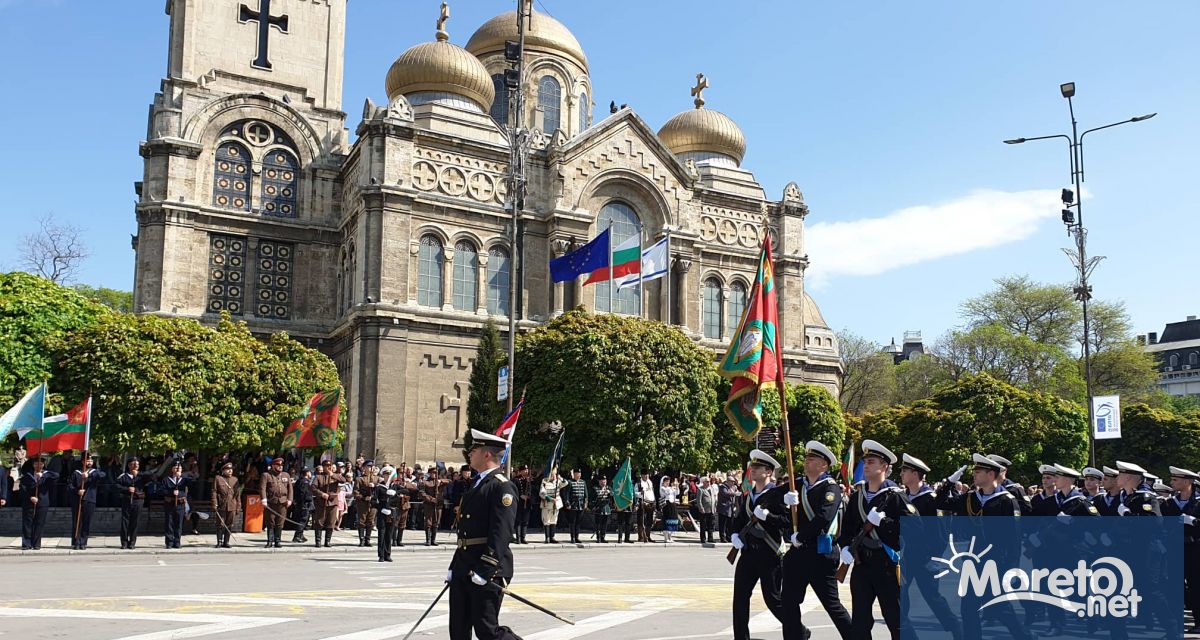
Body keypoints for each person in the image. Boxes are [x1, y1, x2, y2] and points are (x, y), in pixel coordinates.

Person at [935, 454, 1032, 640]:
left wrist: (1012, 567)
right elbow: (941, 503)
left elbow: (1013, 538)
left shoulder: (1006, 501)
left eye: (978, 472)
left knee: (1000, 607)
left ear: (990, 474)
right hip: (973, 561)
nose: (974, 475)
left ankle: (1025, 636)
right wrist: (949, 482)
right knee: (968, 607)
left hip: (996, 563)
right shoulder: (971, 498)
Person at [448, 429, 523, 640]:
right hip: (465, 563)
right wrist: (455, 566)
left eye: (474, 450)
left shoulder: (502, 487)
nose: (470, 454)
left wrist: (487, 568)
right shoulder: (477, 482)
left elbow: (501, 531)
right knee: (458, 628)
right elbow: (467, 531)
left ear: (487, 454)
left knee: (487, 630)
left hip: (486, 566)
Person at [836, 440, 909, 640]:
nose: (866, 466)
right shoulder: (858, 496)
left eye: (871, 462)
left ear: (884, 467)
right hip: (861, 564)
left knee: (895, 619)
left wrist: (884, 522)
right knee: (860, 622)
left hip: (886, 564)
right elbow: (848, 527)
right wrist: (844, 547)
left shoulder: (895, 496)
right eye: (865, 462)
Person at [781, 441, 853, 640]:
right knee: (788, 602)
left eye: (812, 459)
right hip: (798, 553)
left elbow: (824, 517)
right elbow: (772, 499)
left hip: (820, 554)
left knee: (832, 605)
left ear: (824, 465)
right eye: (806, 458)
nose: (807, 462)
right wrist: (783, 501)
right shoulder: (798, 486)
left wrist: (800, 536)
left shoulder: (830, 489)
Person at [896, 453, 959, 640]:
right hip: (906, 557)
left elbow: (939, 535)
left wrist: (934, 558)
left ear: (915, 474)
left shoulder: (930, 500)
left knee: (933, 599)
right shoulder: (903, 497)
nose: (901, 474)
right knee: (901, 598)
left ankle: (958, 630)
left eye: (904, 471)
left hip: (924, 558)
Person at [729, 449, 789, 640]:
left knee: (773, 599)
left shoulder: (777, 494)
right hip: (748, 554)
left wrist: (768, 517)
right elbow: (739, 520)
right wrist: (734, 535)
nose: (752, 470)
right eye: (752, 467)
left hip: (769, 553)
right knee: (739, 598)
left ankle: (798, 630)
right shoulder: (748, 496)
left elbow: (786, 522)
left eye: (757, 467)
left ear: (769, 472)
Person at [1165, 466, 1200, 632]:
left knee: (1196, 586)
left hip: (1194, 548)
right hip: (1174, 548)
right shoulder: (1170, 503)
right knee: (1173, 587)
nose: (1172, 482)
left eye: (1175, 480)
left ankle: (1199, 623)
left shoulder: (1198, 502)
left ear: (1187, 482)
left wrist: (1193, 521)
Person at [67, 455, 106, 550]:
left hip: (90, 499)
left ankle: (83, 542)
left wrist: (89, 475)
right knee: (77, 522)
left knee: (86, 522)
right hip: (77, 500)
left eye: (91, 460)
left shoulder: (95, 472)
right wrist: (77, 491)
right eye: (87, 460)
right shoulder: (76, 473)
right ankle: (76, 542)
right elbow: (69, 486)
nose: (89, 462)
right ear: (82, 461)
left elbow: (103, 475)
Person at [20, 456, 59, 550]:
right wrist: (30, 497)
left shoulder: (47, 474)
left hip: (42, 502)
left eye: (41, 463)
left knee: (39, 523)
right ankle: (26, 543)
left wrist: (43, 475)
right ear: (33, 465)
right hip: (29, 502)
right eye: (36, 463)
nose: (38, 465)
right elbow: (23, 489)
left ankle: (36, 543)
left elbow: (57, 476)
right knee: (27, 523)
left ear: (43, 464)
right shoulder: (28, 475)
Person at [260, 456, 293, 548]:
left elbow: (290, 489)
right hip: (271, 502)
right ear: (273, 465)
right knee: (270, 521)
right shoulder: (266, 475)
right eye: (278, 465)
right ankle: (270, 541)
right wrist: (264, 499)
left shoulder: (286, 475)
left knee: (280, 522)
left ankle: (277, 541)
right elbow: (262, 488)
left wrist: (290, 499)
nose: (280, 466)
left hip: (283, 502)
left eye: (281, 465)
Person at [115, 458, 147, 549]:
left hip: (138, 501)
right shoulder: (123, 476)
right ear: (129, 465)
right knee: (125, 522)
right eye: (134, 464)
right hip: (127, 500)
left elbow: (152, 476)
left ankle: (132, 542)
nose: (136, 466)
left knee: (135, 522)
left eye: (137, 464)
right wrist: (127, 489)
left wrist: (139, 474)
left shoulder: (141, 476)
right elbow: (116, 486)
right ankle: (124, 542)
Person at [312, 459, 344, 547]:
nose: (329, 467)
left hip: (332, 502)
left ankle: (327, 541)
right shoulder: (318, 477)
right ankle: (318, 541)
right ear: (323, 467)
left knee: (331, 522)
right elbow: (313, 488)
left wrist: (333, 475)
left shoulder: (335, 476)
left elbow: (343, 480)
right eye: (326, 466)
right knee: (319, 522)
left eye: (330, 466)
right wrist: (321, 494)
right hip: (321, 503)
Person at [373, 464, 400, 562]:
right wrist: (381, 508)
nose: (387, 477)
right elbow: (373, 501)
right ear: (383, 476)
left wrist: (396, 495)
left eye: (389, 475)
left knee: (390, 534)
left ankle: (387, 554)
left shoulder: (395, 487)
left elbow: (399, 499)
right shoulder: (379, 488)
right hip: (382, 513)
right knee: (382, 534)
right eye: (386, 475)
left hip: (392, 513)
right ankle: (381, 555)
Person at [161, 459, 190, 549]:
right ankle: (169, 542)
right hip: (170, 504)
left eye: (180, 468)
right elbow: (162, 490)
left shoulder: (184, 480)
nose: (178, 469)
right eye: (176, 468)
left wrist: (181, 477)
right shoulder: (166, 480)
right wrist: (171, 492)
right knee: (169, 523)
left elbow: (192, 484)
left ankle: (177, 541)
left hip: (180, 504)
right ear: (172, 469)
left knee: (179, 524)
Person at [212, 462, 240, 548]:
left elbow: (238, 494)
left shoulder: (235, 480)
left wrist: (238, 506)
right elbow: (214, 491)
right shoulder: (218, 478)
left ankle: (226, 542)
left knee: (229, 524)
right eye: (228, 469)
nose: (230, 471)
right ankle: (219, 541)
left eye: (231, 469)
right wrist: (214, 503)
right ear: (223, 471)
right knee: (220, 523)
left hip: (232, 505)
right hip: (222, 504)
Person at [354, 460, 379, 547]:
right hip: (363, 503)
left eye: (371, 466)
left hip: (373, 504)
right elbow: (356, 492)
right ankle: (361, 540)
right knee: (361, 521)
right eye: (368, 466)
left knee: (370, 521)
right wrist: (364, 498)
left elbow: (382, 489)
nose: (370, 468)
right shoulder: (359, 479)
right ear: (364, 468)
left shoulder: (377, 478)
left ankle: (367, 539)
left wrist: (375, 486)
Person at [421, 468, 449, 546]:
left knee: (436, 522)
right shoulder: (425, 482)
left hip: (438, 505)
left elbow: (449, 481)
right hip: (429, 505)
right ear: (429, 473)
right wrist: (431, 499)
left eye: (435, 473)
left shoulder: (440, 482)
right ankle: (428, 540)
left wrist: (441, 481)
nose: (434, 474)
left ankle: (433, 539)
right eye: (432, 473)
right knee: (428, 522)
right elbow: (422, 494)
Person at [539, 470, 566, 543]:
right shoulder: (544, 482)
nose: (554, 476)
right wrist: (550, 499)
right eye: (552, 475)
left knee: (554, 521)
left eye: (554, 475)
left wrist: (560, 478)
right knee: (546, 521)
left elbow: (566, 483)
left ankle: (552, 537)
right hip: (547, 504)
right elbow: (542, 493)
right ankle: (547, 537)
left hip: (556, 504)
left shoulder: (557, 482)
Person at [563, 469, 588, 544]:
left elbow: (586, 494)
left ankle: (577, 537)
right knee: (572, 522)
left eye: (579, 473)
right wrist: (567, 503)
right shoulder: (570, 482)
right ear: (574, 474)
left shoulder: (583, 482)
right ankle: (572, 537)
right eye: (577, 473)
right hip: (573, 505)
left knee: (578, 522)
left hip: (580, 505)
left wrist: (585, 503)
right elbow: (566, 494)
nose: (578, 475)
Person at [292, 467, 314, 543]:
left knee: (302, 520)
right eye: (310, 472)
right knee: (302, 520)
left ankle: (300, 534)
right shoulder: (305, 482)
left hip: (300, 504)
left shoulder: (299, 481)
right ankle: (297, 536)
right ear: (307, 473)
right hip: (304, 504)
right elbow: (304, 494)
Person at [635, 471, 656, 543]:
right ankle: (641, 537)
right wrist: (640, 493)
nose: (646, 476)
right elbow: (635, 493)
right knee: (641, 520)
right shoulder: (638, 483)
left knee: (649, 520)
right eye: (645, 475)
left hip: (651, 503)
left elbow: (652, 491)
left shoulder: (650, 482)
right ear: (641, 475)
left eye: (647, 475)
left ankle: (648, 536)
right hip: (643, 502)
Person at [718, 474, 740, 544]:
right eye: (731, 481)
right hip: (723, 509)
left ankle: (729, 537)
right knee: (723, 524)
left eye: (733, 481)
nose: (733, 483)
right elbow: (726, 493)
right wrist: (735, 493)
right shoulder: (723, 487)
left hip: (731, 508)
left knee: (729, 524)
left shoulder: (734, 487)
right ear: (727, 481)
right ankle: (722, 538)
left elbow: (736, 496)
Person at [696, 475, 718, 544]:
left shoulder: (711, 488)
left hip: (711, 510)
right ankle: (703, 538)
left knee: (710, 525)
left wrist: (714, 508)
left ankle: (710, 538)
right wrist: (701, 508)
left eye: (709, 481)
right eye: (707, 481)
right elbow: (698, 500)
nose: (709, 483)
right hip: (704, 510)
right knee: (703, 525)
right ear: (704, 482)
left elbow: (714, 499)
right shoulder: (700, 489)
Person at [513, 465, 532, 544]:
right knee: (518, 521)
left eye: (527, 470)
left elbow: (531, 489)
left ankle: (523, 537)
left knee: (525, 521)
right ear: (520, 471)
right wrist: (520, 495)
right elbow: (514, 490)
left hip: (526, 502)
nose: (526, 471)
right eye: (524, 470)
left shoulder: (528, 480)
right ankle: (518, 538)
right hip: (519, 503)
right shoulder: (516, 480)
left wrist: (528, 496)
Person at [592, 476, 613, 543]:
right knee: (598, 523)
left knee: (604, 524)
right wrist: (593, 506)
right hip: (598, 508)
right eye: (601, 481)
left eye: (604, 481)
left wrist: (609, 493)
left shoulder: (608, 488)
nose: (603, 482)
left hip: (606, 508)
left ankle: (603, 537)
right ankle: (598, 538)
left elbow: (613, 495)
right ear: (599, 482)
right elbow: (592, 499)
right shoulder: (595, 488)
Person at [660, 476, 679, 543]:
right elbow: (666, 493)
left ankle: (670, 536)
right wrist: (672, 488)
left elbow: (677, 493)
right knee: (667, 520)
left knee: (673, 520)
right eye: (666, 482)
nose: (667, 483)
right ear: (663, 482)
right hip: (666, 505)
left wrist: (676, 487)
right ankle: (666, 537)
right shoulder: (662, 488)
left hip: (672, 505)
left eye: (668, 481)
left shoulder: (670, 488)